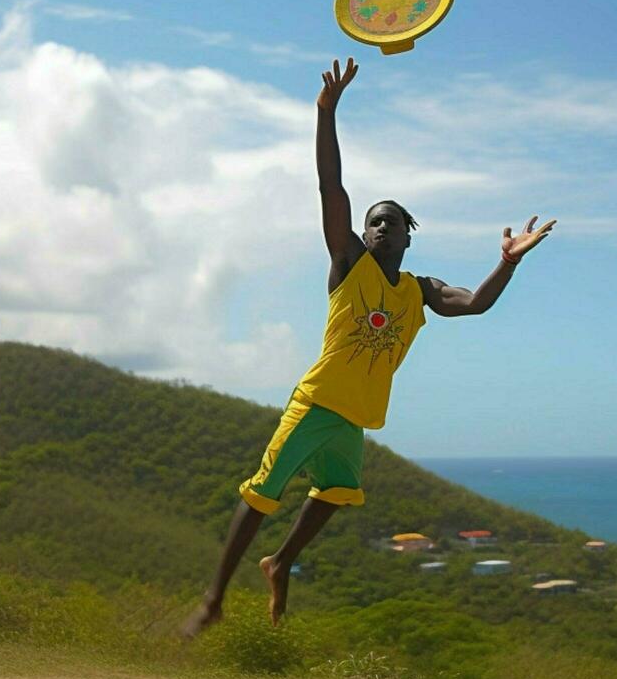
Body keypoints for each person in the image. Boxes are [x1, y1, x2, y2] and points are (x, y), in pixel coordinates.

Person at [181, 57, 554, 637]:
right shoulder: (348, 264)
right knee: (261, 496)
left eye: (391, 223)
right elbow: (331, 186)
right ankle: (213, 598)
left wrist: (506, 262)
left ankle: (279, 564)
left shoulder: (419, 290)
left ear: (409, 234)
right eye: (373, 221)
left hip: (353, 419)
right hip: (316, 402)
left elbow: (476, 303)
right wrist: (326, 114)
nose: (378, 228)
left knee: (335, 494)